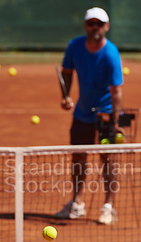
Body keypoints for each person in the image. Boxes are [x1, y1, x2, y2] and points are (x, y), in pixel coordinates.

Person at [55, 7, 124, 225]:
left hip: (105, 115)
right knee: (78, 158)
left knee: (108, 160)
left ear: (106, 27)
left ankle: (109, 207)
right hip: (82, 113)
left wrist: (116, 122)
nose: (95, 27)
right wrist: (65, 95)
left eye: (99, 24)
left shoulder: (111, 54)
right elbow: (66, 72)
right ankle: (77, 204)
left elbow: (116, 91)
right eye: (91, 23)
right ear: (86, 25)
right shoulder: (75, 46)